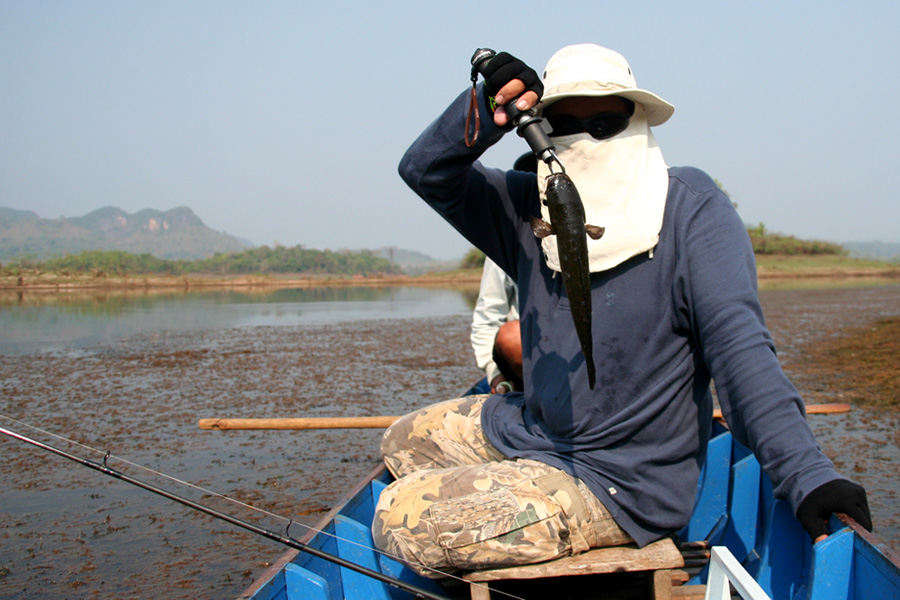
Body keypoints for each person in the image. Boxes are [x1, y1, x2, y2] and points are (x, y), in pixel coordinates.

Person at [372, 43, 871, 577]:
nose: (587, 139)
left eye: (606, 122)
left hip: (622, 481)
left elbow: (743, 357)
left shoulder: (689, 209)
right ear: (540, 129)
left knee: (400, 519)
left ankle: (566, 516)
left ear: (636, 119)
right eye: (563, 122)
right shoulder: (525, 209)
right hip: (537, 433)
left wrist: (807, 474)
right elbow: (425, 170)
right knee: (400, 441)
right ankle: (525, 483)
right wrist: (486, 105)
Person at [471, 256, 521, 393]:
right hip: (526, 365)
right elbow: (487, 319)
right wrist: (495, 374)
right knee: (512, 336)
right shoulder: (508, 241)